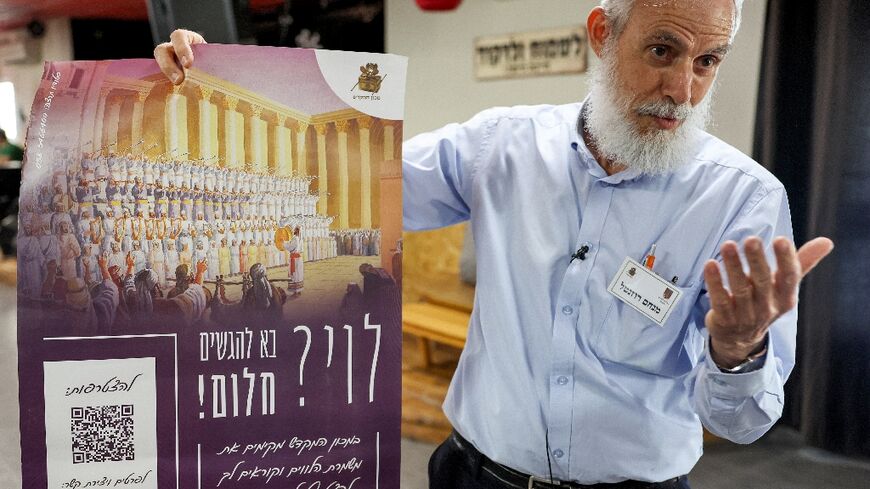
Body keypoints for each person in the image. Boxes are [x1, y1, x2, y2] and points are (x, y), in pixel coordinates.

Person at [155, 3, 835, 487]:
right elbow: (356, 191)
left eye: (707, 61)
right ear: (602, 34)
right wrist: (219, 79)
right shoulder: (502, 146)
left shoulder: (744, 200)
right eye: (663, 51)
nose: (682, 90)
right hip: (474, 475)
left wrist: (738, 351)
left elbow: (743, 424)